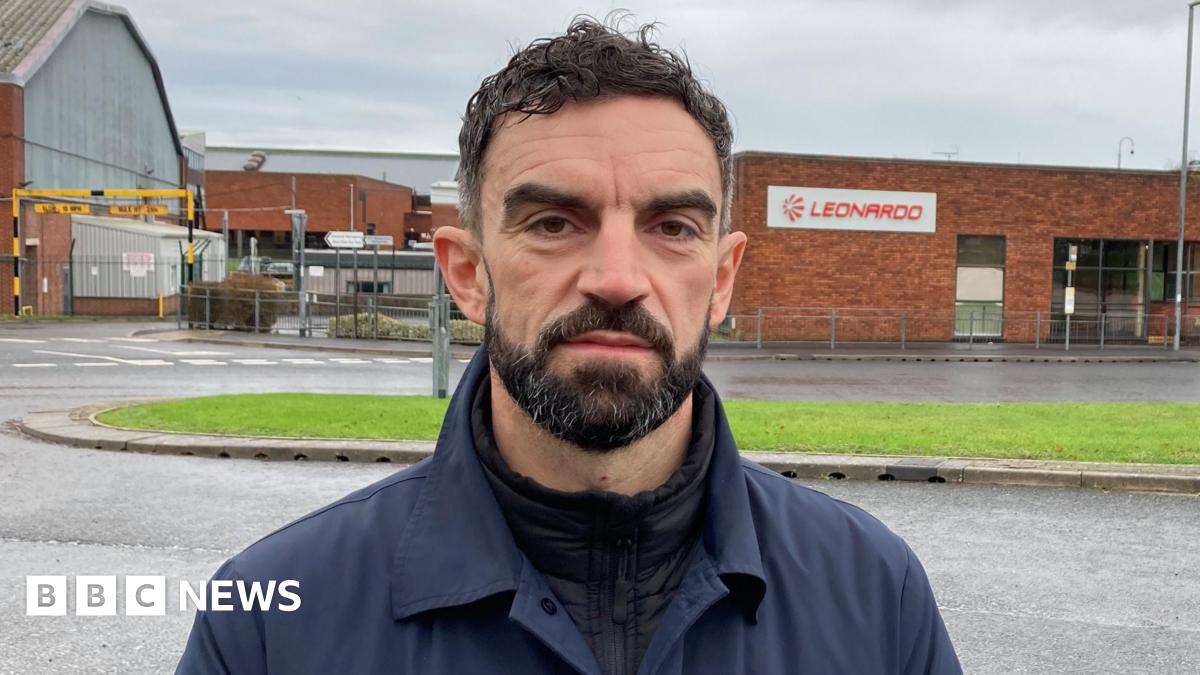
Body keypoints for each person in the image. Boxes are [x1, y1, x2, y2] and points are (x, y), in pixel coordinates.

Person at [176, 17, 961, 675]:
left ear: (721, 279)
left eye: (672, 227)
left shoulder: (875, 597)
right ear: (467, 273)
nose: (617, 279)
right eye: (554, 223)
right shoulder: (270, 624)